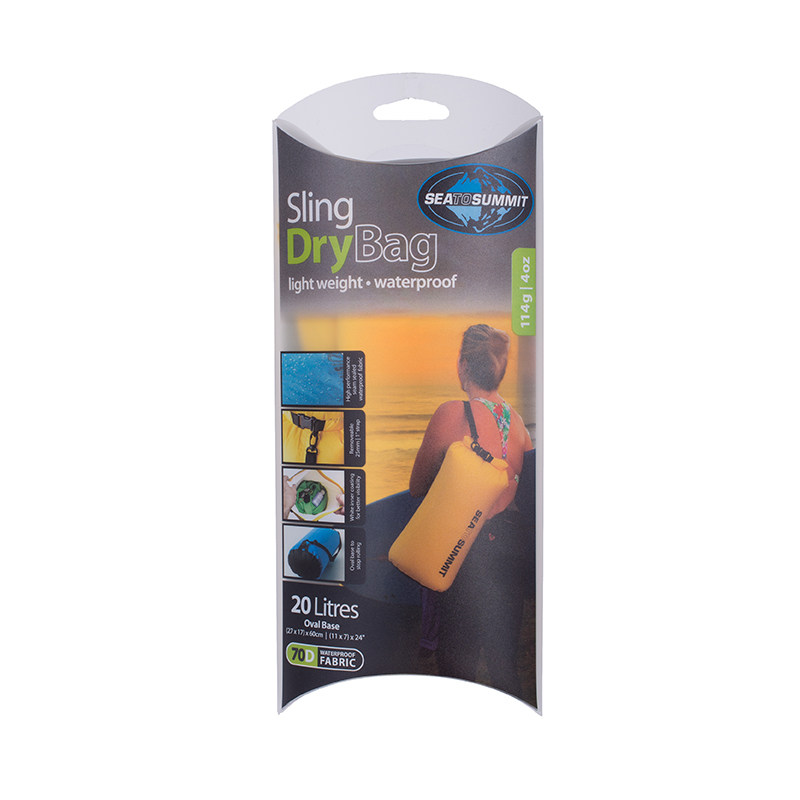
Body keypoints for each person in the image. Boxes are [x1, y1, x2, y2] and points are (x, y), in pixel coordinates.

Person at [409, 323, 534, 697]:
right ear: (501, 369)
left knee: (456, 664)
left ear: (463, 365)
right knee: (503, 664)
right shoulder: (520, 426)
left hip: (465, 554)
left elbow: (417, 486)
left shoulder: (453, 414)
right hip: (510, 552)